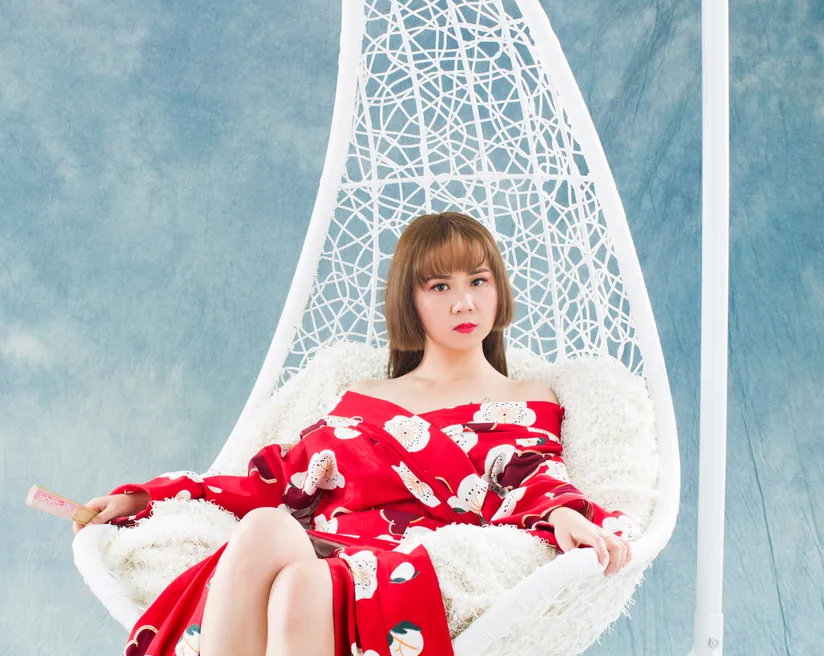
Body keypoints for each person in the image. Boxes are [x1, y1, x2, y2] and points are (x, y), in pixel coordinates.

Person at [77, 211, 634, 656]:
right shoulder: (361, 395)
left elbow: (533, 472)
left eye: (478, 281)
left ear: (499, 289)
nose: (464, 301)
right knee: (266, 526)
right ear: (410, 300)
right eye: (440, 285)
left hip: (399, 559)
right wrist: (144, 498)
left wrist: (563, 514)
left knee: (302, 587)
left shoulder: (528, 397)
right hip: (322, 539)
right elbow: (271, 481)